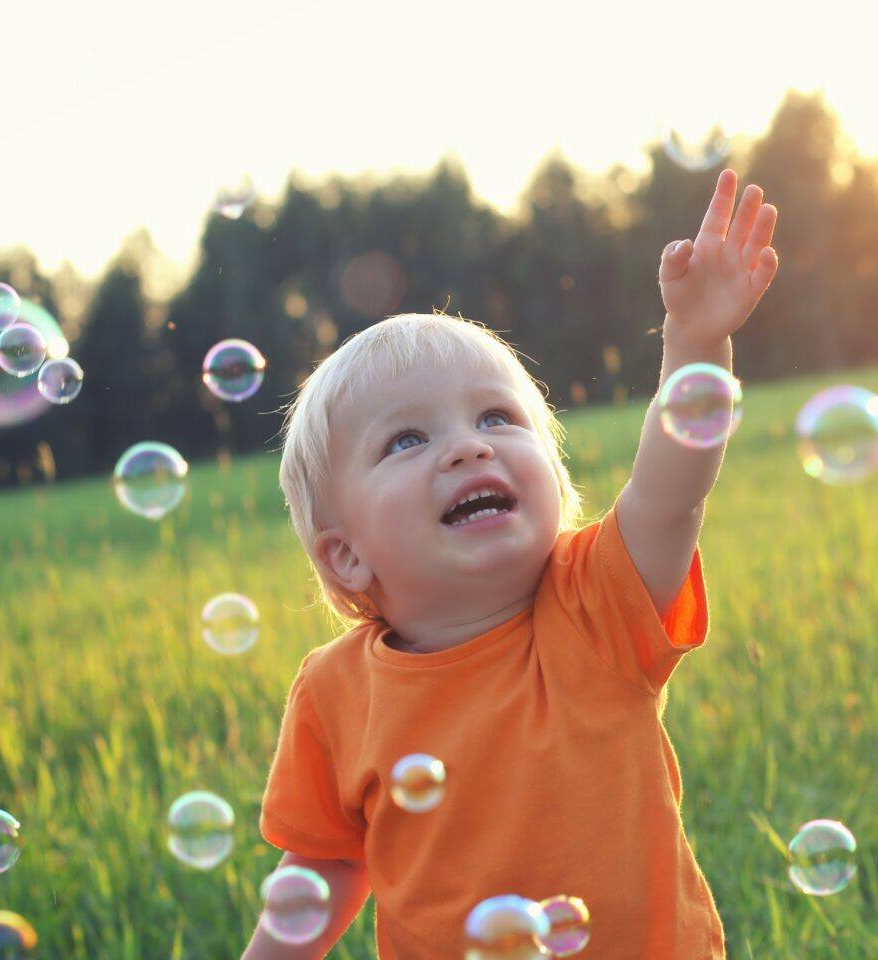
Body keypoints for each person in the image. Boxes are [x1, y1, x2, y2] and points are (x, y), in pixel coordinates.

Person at [242, 168, 779, 958]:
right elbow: (322, 861)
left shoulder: (595, 603)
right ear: (347, 556)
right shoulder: (334, 693)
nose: (469, 444)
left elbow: (671, 493)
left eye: (497, 416)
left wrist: (696, 339)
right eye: (406, 440)